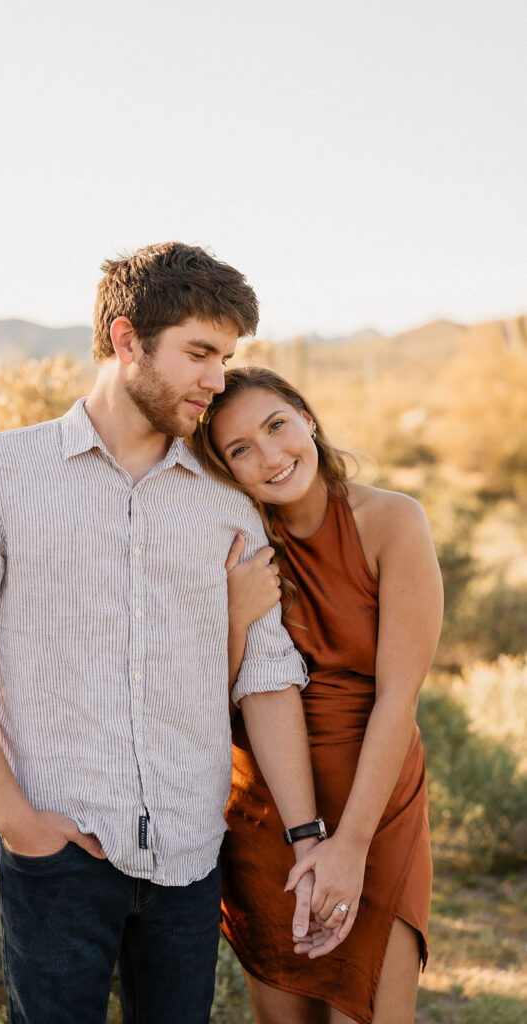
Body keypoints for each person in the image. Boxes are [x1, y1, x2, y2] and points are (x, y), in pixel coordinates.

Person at [0, 245, 345, 1024]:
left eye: (226, 357)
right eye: (199, 354)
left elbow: (266, 678)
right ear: (127, 339)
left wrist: (307, 833)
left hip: (188, 853)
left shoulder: (224, 499)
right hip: (58, 850)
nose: (217, 379)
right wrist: (14, 818)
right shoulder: (0, 475)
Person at [192, 366, 444, 1024]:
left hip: (376, 806)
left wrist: (351, 844)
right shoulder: (232, 546)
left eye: (275, 425)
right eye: (239, 449)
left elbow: (397, 697)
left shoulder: (392, 521)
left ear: (306, 418)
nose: (271, 455)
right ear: (225, 472)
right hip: (263, 813)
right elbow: (199, 698)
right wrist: (234, 616)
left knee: (368, 1011)